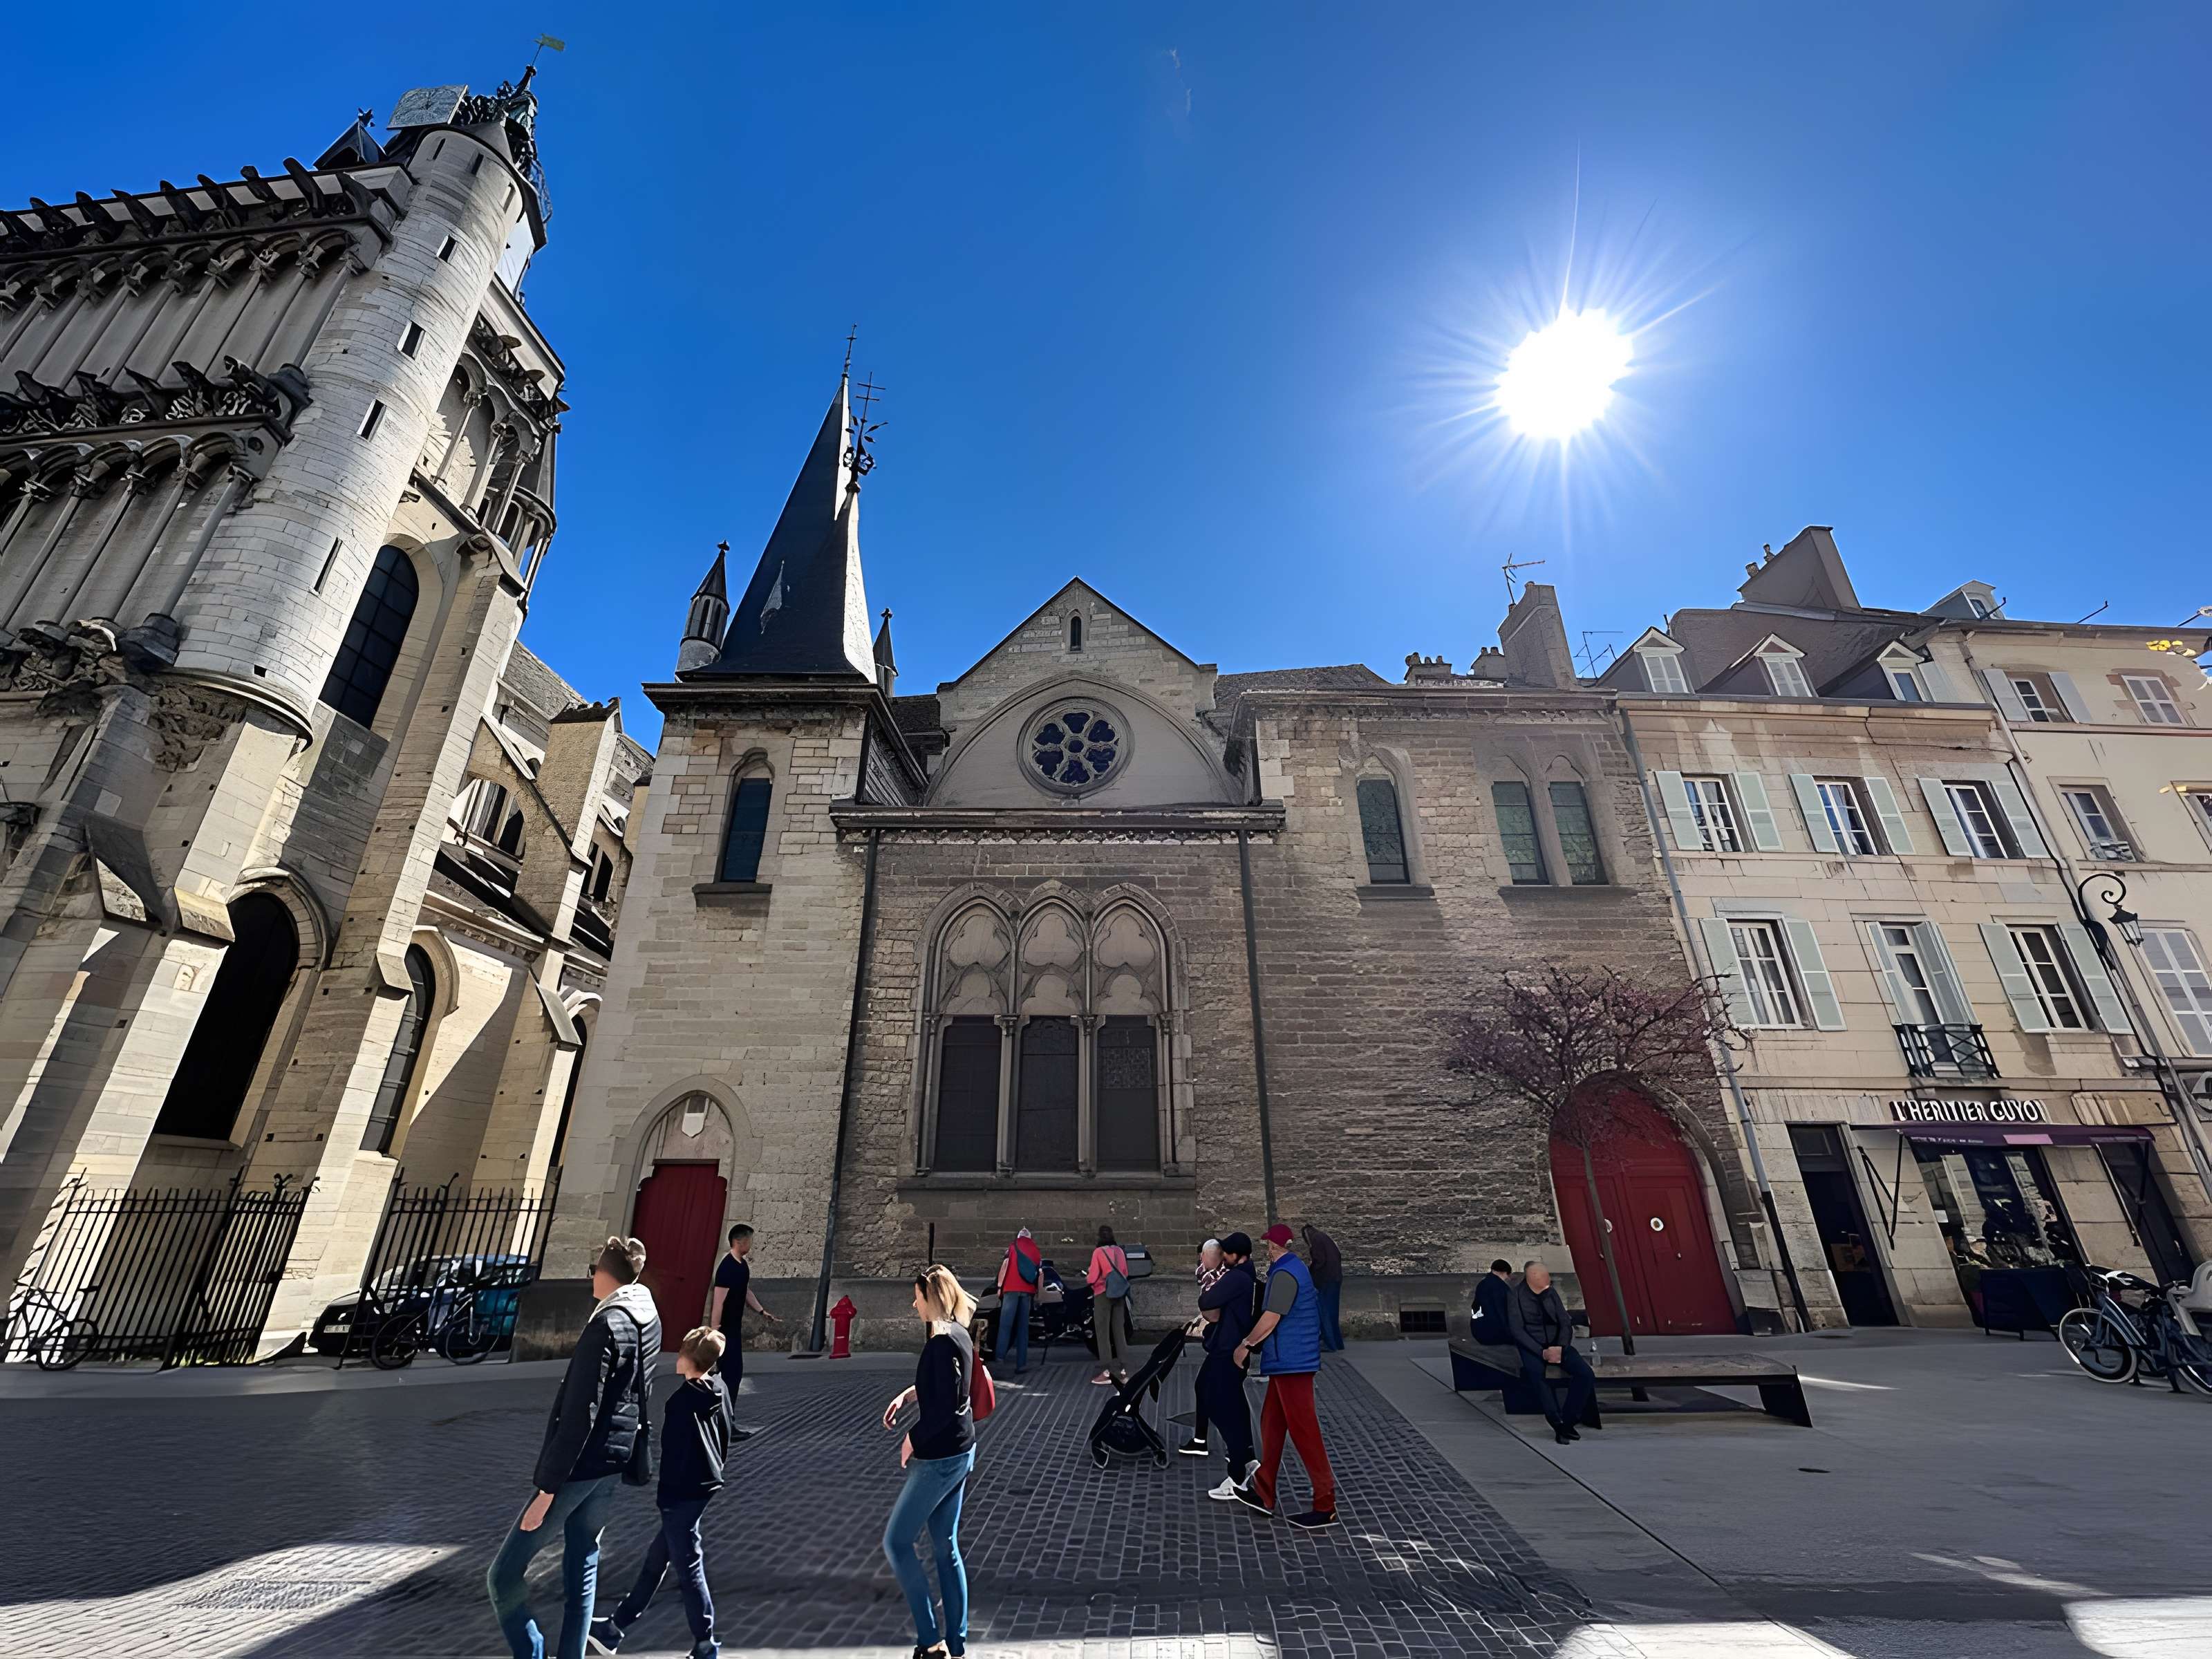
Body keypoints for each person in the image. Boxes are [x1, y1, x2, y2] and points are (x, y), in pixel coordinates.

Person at [487, 1236, 660, 1659]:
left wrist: (546, 1491)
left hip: (579, 1467)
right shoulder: (648, 1317)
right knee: (583, 1562)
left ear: (606, 1274)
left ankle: (532, 1651)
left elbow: (581, 1412)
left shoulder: (606, 1324)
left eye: (594, 1269)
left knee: (504, 1575)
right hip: (613, 1461)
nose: (590, 1277)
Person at [587, 1327, 732, 1658]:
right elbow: (726, 1433)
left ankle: (706, 1644)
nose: (676, 1357)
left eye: (681, 1352)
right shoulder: (719, 1388)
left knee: (689, 1566)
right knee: (657, 1560)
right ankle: (614, 1628)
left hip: (681, 1493)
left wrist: (665, 1498)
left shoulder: (681, 1402)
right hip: (705, 1484)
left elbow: (673, 1455)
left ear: (689, 1360)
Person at [879, 1264, 981, 1659]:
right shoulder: (959, 1334)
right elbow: (945, 1388)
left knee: (897, 1542)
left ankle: (930, 1640)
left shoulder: (941, 1341)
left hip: (940, 1458)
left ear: (931, 1297)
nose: (913, 1303)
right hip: (962, 1451)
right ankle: (956, 1643)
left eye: (917, 1296)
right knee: (945, 1546)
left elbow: (948, 1408)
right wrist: (909, 1395)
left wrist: (912, 1439)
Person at [1235, 1224, 1337, 1529]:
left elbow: (1272, 1316)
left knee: (1305, 1432)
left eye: (1268, 1244)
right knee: (1272, 1424)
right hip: (1289, 1361)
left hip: (1292, 1361)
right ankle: (1264, 1490)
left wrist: (1246, 1345)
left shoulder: (1284, 1273)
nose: (1267, 1249)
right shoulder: (1294, 1268)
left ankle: (1325, 1503)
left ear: (1272, 1247)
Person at [1195, 1232, 1259, 1499]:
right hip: (1229, 1347)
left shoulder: (1236, 1277)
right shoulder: (1246, 1273)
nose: (1222, 1258)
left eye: (1226, 1254)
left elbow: (1206, 1302)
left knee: (1221, 1406)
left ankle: (1237, 1474)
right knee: (1219, 1395)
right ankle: (1246, 1454)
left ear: (1235, 1256)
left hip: (1228, 1349)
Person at [1508, 1260, 1597, 1446]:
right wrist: (1541, 1352)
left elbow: (1565, 1322)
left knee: (1586, 1374)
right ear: (1531, 1277)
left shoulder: (1551, 1293)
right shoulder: (1515, 1296)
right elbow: (1517, 1330)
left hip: (1558, 1345)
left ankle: (1569, 1420)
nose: (1547, 1278)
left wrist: (1561, 1347)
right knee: (1538, 1377)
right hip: (1534, 1347)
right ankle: (1556, 1423)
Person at [710, 1224, 781, 1438]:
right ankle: (724, 1426)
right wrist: (715, 1332)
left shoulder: (742, 1267)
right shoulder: (727, 1268)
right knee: (730, 1376)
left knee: (734, 1375)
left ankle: (723, 1422)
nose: (751, 1244)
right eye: (749, 1240)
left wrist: (762, 1312)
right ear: (740, 1242)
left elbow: (746, 1291)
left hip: (734, 1330)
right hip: (725, 1332)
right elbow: (718, 1302)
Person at [1178, 1239, 1226, 1456]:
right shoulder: (1218, 1277)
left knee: (1225, 1396)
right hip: (1222, 1343)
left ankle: (1238, 1447)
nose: (1200, 1261)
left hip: (1226, 1345)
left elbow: (1214, 1313)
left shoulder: (1224, 1279)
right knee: (1205, 1388)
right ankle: (1201, 1440)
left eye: (1203, 1257)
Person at [1087, 1224, 1132, 1389]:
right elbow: (1125, 1273)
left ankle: (1105, 1371)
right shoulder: (1120, 1251)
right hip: (1119, 1293)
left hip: (1103, 1294)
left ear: (1099, 1237)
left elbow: (1092, 1277)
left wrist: (1090, 1280)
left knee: (1103, 1332)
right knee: (1119, 1331)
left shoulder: (1098, 1253)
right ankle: (1124, 1371)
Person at [994, 1226, 1042, 1375]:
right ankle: (1021, 1364)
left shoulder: (1012, 1247)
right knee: (1023, 1328)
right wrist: (1039, 1293)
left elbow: (1004, 1267)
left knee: (1006, 1325)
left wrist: (999, 1287)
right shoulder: (1035, 1251)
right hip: (1027, 1292)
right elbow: (1039, 1273)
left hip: (1011, 1290)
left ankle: (1000, 1358)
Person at [1303, 1223, 1344, 1351]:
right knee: (1332, 1311)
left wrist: (1310, 1271)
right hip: (1335, 1278)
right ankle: (1337, 1342)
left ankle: (1329, 1343)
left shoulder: (1317, 1239)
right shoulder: (1324, 1238)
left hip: (1326, 1280)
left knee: (1325, 1312)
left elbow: (1319, 1260)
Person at [1471, 1259, 1513, 1345]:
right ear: (1505, 1273)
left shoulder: (1482, 1283)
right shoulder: (1501, 1288)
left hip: (1479, 1331)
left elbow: (1475, 1307)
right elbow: (1503, 1313)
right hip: (1496, 1334)